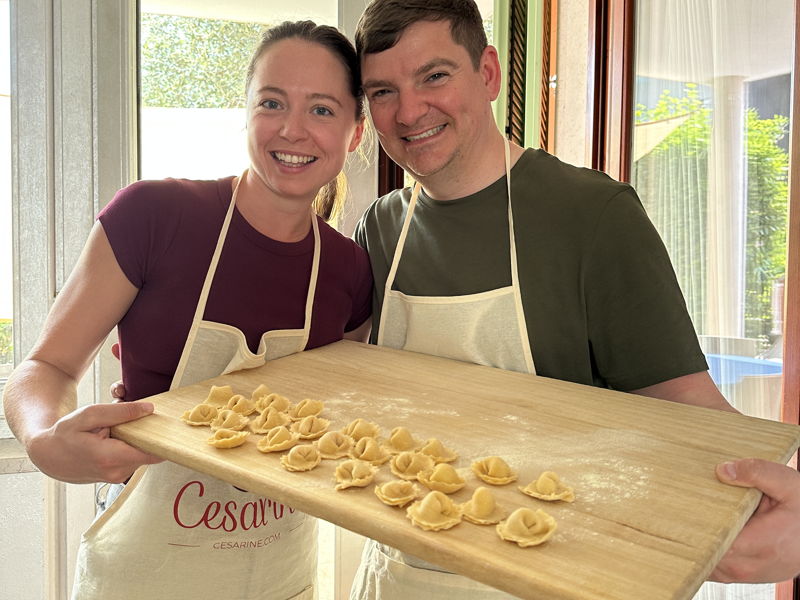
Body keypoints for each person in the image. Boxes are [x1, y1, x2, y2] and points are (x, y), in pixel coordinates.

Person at [348, 0, 800, 596]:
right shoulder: (380, 227)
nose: (409, 111)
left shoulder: (592, 215)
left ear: (486, 74)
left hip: (551, 575)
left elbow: (686, 404)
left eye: (434, 75)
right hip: (396, 574)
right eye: (382, 91)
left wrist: (784, 498)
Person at [3, 20, 371, 600]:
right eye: (272, 102)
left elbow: (349, 410)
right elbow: (45, 368)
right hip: (147, 571)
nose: (293, 129)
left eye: (322, 110)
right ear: (245, 111)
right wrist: (46, 439)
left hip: (281, 571)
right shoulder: (154, 216)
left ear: (355, 133)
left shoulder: (350, 270)